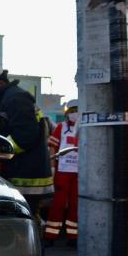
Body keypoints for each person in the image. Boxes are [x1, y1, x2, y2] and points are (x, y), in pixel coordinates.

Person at [0, 69, 54, 214]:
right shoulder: (7, 99)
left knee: (22, 225)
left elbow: (25, 137)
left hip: (26, 179)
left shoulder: (16, 98)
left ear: (0, 83)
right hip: (18, 174)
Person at [45, 100, 79, 247]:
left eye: (76, 111)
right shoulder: (61, 127)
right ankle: (50, 236)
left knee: (75, 205)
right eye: (71, 111)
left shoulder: (84, 129)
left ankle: (73, 237)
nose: (74, 114)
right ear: (66, 114)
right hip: (62, 172)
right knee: (57, 204)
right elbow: (52, 147)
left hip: (78, 174)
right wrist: (52, 167)